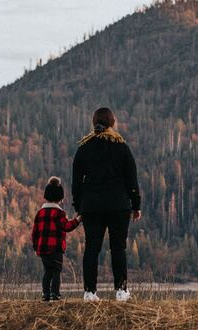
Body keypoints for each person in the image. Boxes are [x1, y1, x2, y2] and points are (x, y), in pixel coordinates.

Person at [72, 107, 141, 302]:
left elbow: (76, 181)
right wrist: (136, 205)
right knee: (118, 247)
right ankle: (121, 290)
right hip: (118, 204)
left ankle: (89, 292)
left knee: (92, 248)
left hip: (92, 205)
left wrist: (79, 206)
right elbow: (132, 179)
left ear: (94, 124)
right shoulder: (121, 146)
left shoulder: (84, 148)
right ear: (112, 123)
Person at [31, 177, 81, 302]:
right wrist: (77, 220)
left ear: (46, 196)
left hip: (42, 248)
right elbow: (66, 227)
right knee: (56, 271)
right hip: (56, 248)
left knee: (47, 271)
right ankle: (55, 294)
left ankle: (45, 294)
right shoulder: (59, 213)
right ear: (61, 198)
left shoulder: (40, 213)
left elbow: (34, 232)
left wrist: (35, 247)